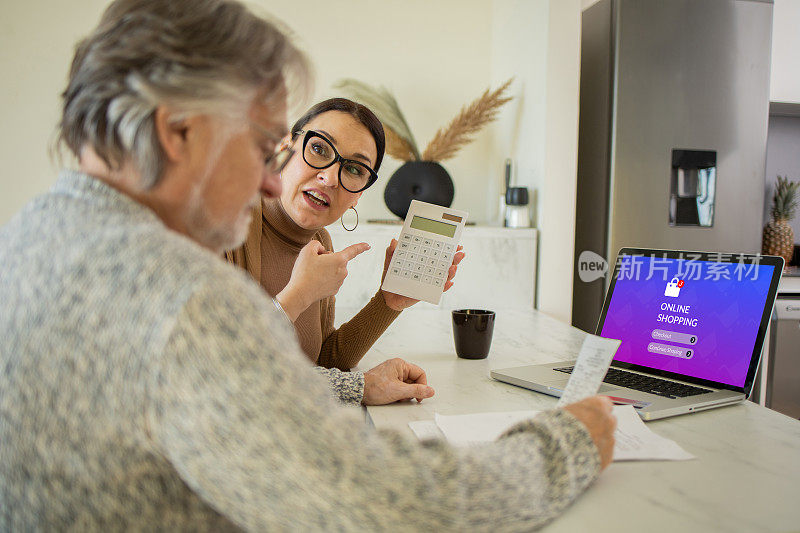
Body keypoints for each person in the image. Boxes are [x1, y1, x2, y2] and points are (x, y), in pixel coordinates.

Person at [0, 0, 617, 530]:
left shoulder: (33, 231)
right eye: (268, 145)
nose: (274, 174)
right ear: (178, 131)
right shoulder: (184, 293)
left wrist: (385, 304)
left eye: (352, 169)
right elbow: (378, 505)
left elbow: (293, 375)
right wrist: (564, 446)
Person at [225, 97, 465, 370]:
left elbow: (322, 361)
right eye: (319, 148)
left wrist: (388, 302)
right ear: (285, 148)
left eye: (353, 169)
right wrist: (299, 294)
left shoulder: (319, 241)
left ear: (358, 194)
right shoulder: (223, 226)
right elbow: (219, 367)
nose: (330, 178)